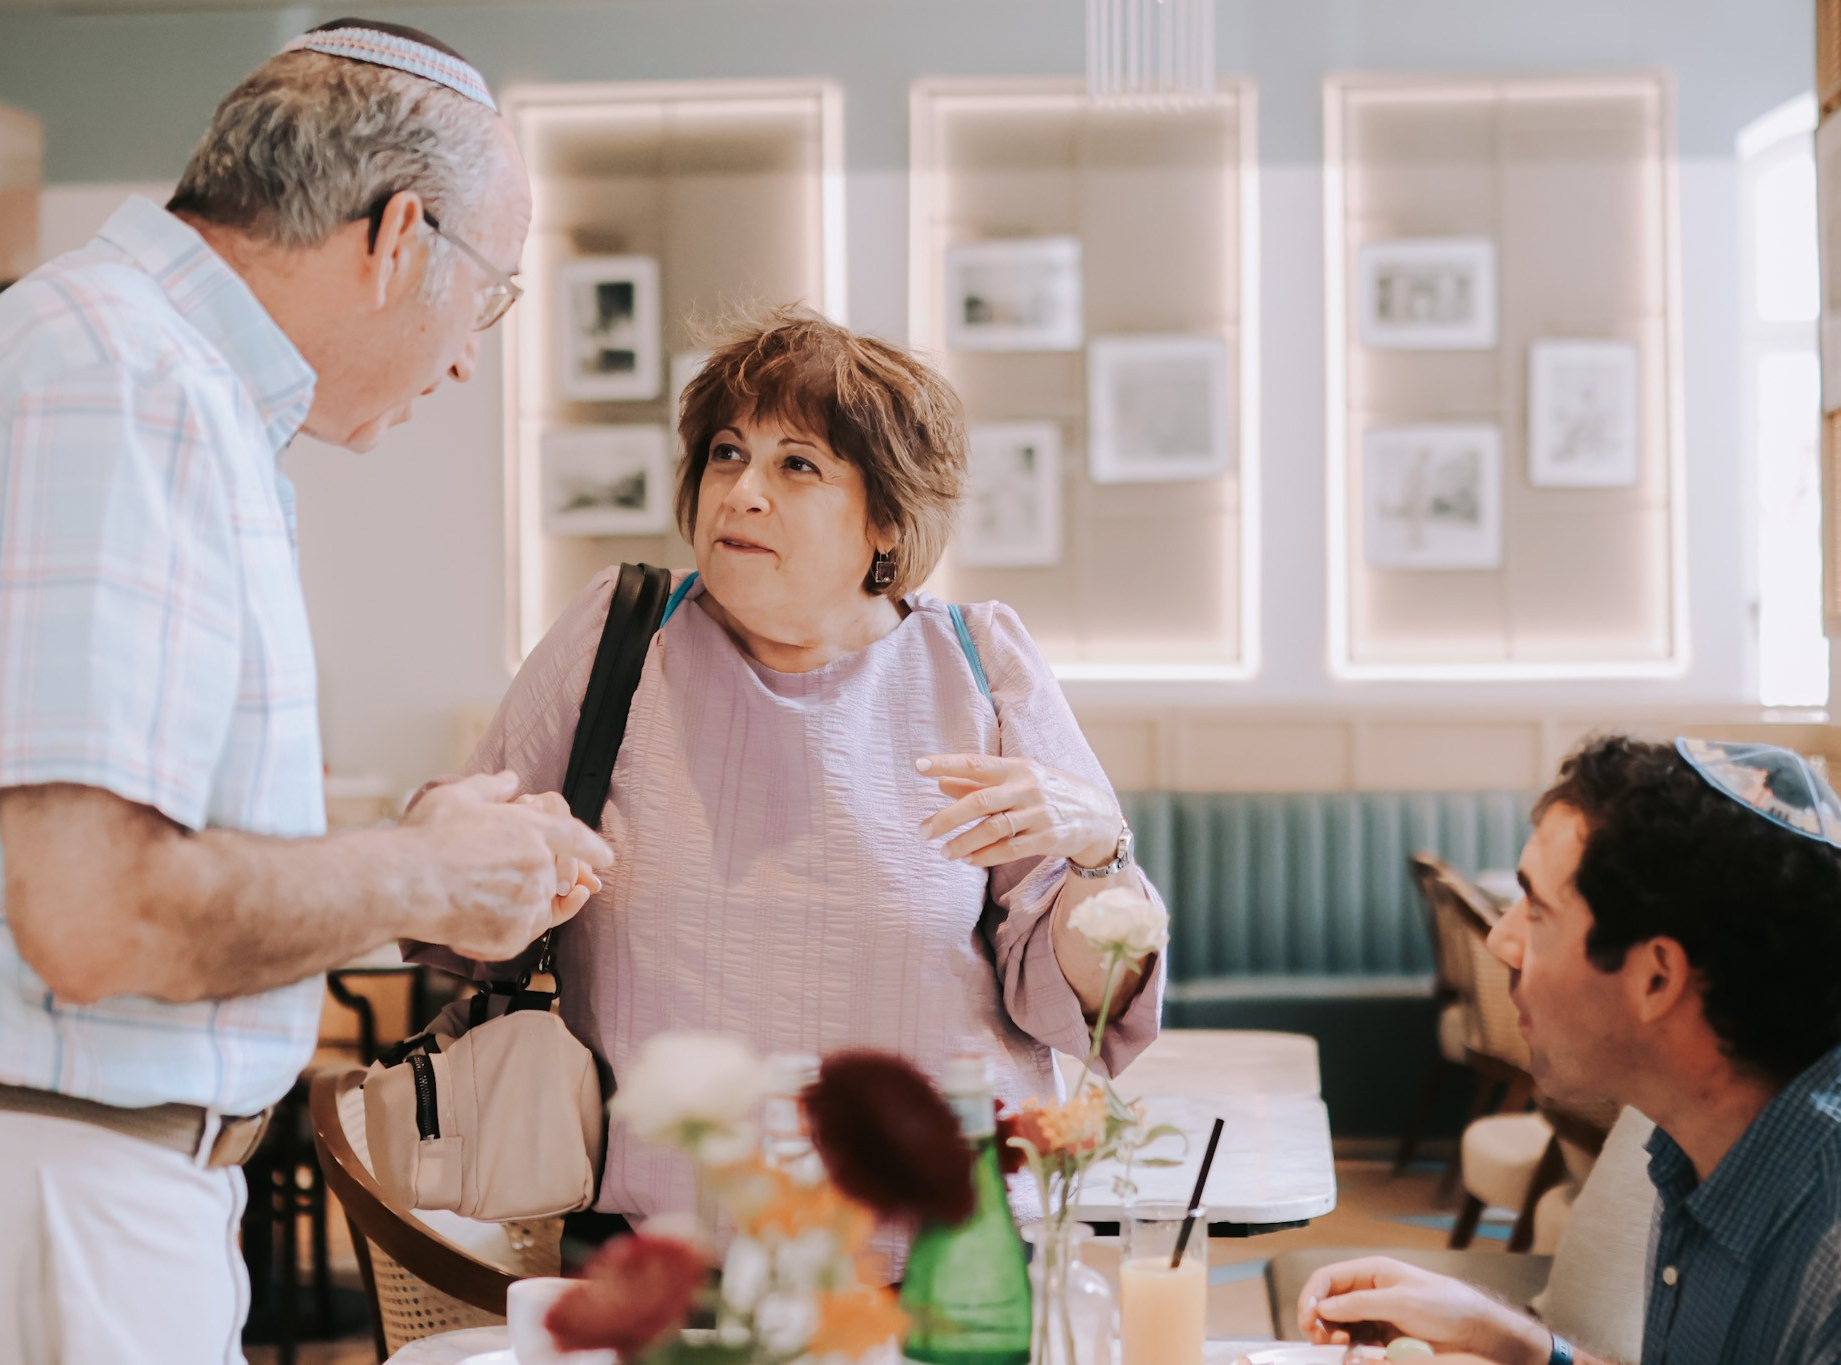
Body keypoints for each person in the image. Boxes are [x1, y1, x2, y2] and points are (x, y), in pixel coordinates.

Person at [0, 20, 610, 1364]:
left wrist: (423, 853)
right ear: (400, 236)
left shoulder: (124, 367)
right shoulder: (122, 386)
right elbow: (101, 918)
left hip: (43, 1180)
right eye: (492, 293)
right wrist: (424, 873)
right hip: (47, 1203)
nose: (470, 356)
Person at [409, 308, 1167, 1249]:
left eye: (797, 464)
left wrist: (1100, 853)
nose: (743, 492)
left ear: (886, 516)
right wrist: (475, 859)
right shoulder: (619, 638)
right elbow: (454, 898)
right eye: (727, 454)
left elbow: (1080, 1000)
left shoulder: (980, 668)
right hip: (666, 1269)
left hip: (940, 1269)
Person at [1298, 735, 1841, 1365]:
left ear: (1656, 979)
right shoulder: (1694, 1144)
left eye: (1537, 909)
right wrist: (1505, 1339)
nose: (1501, 940)